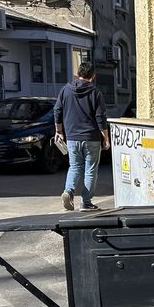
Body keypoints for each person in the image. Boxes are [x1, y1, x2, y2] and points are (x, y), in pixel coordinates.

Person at [54, 61, 109, 212]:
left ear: (78, 73)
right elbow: (100, 117)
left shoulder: (66, 90)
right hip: (91, 137)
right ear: (93, 75)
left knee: (75, 166)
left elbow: (57, 110)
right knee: (90, 170)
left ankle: (69, 192)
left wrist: (59, 131)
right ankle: (86, 202)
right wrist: (106, 138)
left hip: (72, 137)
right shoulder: (95, 92)